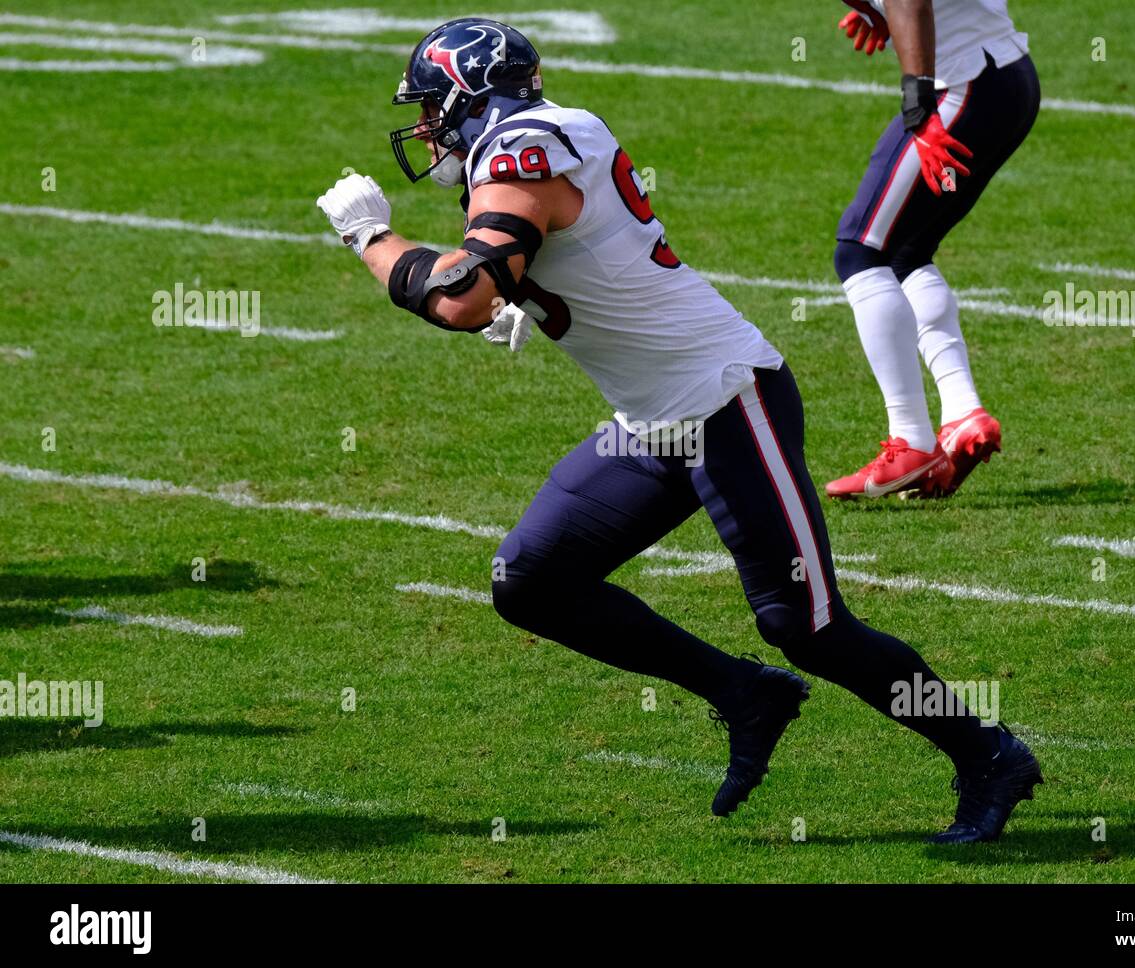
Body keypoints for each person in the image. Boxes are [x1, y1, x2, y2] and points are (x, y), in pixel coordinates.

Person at [316, 17, 1041, 842]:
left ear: (466, 95)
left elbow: (458, 298)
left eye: (430, 108)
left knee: (806, 624)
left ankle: (989, 755)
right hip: (657, 420)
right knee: (533, 579)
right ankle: (745, 693)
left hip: (728, 399)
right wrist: (520, 288)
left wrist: (371, 238)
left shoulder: (522, 153)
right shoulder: (537, 141)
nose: (423, 129)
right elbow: (540, 260)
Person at [825, 0, 1040, 499]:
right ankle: (963, 413)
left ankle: (912, 443)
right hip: (1006, 78)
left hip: (960, 89)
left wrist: (917, 105)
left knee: (860, 252)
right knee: (906, 253)